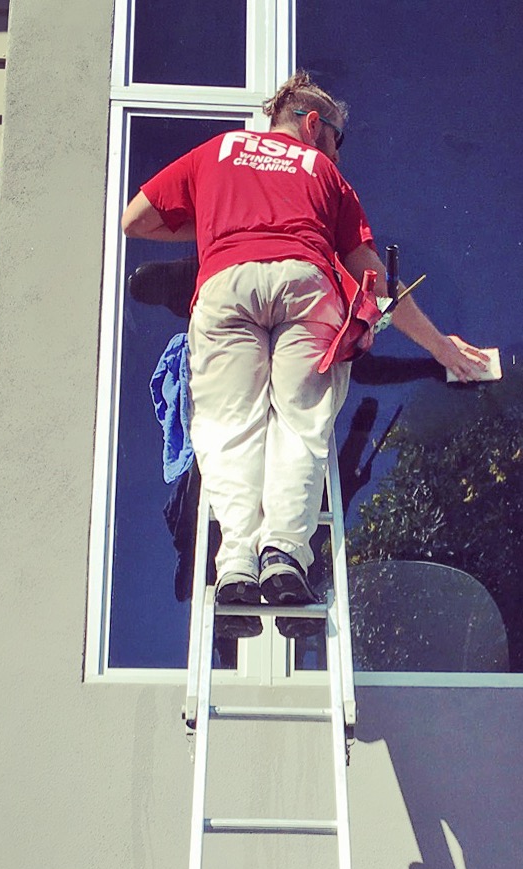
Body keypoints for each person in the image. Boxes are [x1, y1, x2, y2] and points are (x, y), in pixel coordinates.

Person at [122, 70, 487, 637]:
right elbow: (374, 281)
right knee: (299, 423)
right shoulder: (322, 173)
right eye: (337, 139)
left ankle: (237, 562)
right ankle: (285, 556)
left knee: (229, 425)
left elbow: (134, 219)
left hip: (225, 285)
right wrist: (445, 351)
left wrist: (219, 228)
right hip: (304, 282)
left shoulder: (218, 151)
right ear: (314, 125)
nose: (337, 155)